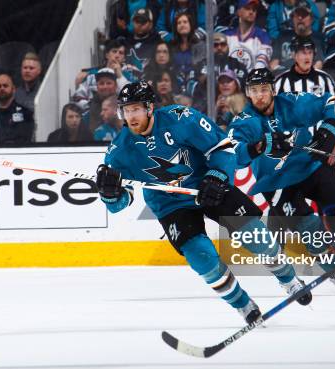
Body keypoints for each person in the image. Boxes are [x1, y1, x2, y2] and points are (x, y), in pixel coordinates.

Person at [97, 81, 311, 324]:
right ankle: (243, 304)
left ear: (149, 108)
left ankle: (289, 280)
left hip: (208, 184)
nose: (131, 116)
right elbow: (118, 204)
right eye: (126, 110)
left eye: (136, 109)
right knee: (201, 256)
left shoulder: (181, 118)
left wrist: (218, 175)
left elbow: (223, 147)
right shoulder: (118, 151)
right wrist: (110, 193)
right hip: (170, 205)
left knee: (255, 234)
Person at [228, 67, 335, 293]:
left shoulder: (292, 103)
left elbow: (334, 101)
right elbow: (232, 154)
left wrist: (329, 130)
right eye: (254, 90)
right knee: (309, 226)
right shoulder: (244, 122)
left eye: (264, 89)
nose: (260, 95)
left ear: (273, 90)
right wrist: (258, 146)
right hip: (275, 183)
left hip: (308, 167)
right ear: (248, 93)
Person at [74, 39, 136, 111]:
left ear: (124, 58)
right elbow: (78, 97)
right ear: (107, 55)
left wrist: (120, 76)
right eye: (114, 51)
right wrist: (91, 107)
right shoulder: (92, 75)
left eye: (121, 53)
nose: (117, 55)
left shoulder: (129, 77)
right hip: (93, 114)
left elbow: (132, 98)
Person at [270, 5, 325, 74]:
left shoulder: (317, 39)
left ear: (311, 19)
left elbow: (318, 64)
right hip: (284, 77)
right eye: (297, 15)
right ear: (292, 19)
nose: (300, 18)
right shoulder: (283, 36)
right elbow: (274, 64)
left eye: (304, 15)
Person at [224, 0, 273, 71]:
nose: (251, 12)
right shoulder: (228, 35)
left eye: (254, 10)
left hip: (251, 79)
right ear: (238, 12)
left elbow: (262, 63)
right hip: (228, 80)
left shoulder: (263, 36)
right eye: (247, 8)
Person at [0, 73, 34, 144]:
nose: (2, 88)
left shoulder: (25, 114)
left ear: (13, 89)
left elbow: (25, 139)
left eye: (5, 86)